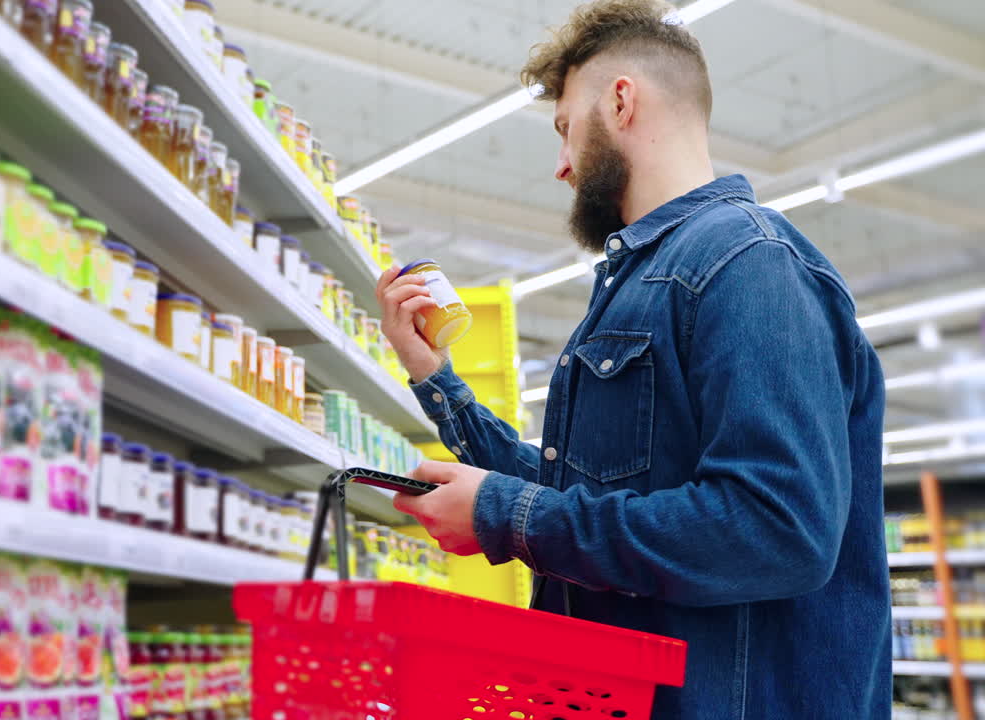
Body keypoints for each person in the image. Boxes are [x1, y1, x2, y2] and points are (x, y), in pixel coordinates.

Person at [375, 1, 890, 717]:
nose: (560, 166)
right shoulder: (645, 284)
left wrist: (506, 516)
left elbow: (777, 530)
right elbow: (584, 496)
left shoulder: (748, 264)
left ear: (620, 101)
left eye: (564, 130)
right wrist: (439, 382)